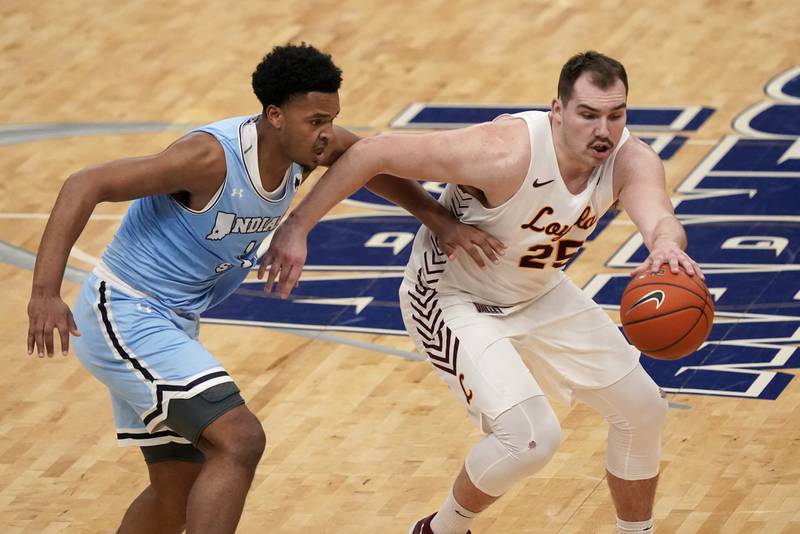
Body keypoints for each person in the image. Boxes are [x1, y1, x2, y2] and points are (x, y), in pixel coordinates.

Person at [26, 43, 504, 534]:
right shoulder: (208, 158)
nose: (326, 135)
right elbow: (83, 183)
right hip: (126, 310)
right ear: (274, 115)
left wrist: (438, 221)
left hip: (173, 322)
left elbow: (370, 161)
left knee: (177, 490)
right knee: (240, 440)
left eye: (331, 119)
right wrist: (45, 292)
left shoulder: (307, 147)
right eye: (315, 120)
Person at [262, 51, 704, 534]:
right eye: (588, 114)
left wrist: (664, 246)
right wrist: (298, 226)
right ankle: (439, 531)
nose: (603, 130)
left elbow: (660, 216)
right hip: (452, 296)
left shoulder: (629, 159)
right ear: (557, 110)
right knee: (531, 439)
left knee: (644, 411)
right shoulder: (504, 152)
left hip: (538, 291)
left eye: (615, 115)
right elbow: (371, 153)